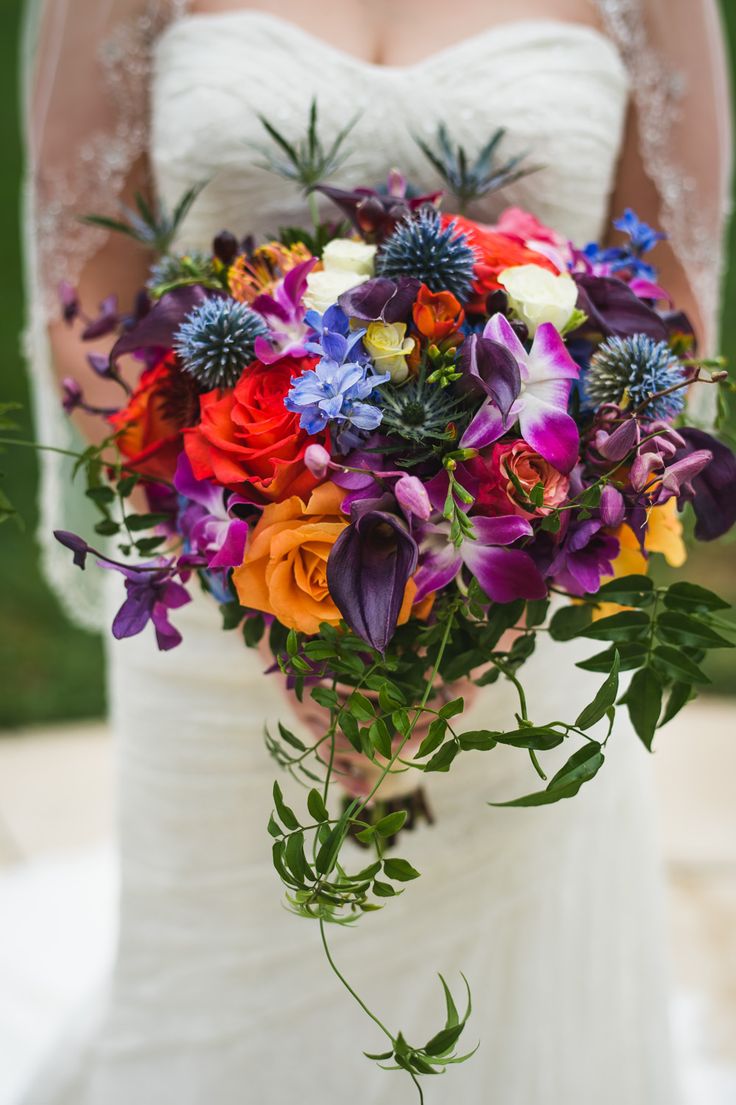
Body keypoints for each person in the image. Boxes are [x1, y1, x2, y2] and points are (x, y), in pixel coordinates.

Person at [20, 2, 732, 1102]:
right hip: (213, 591)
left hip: (523, 604)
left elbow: (670, 297)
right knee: (227, 1001)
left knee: (506, 1002)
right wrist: (253, 580)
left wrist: (487, 608)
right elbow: (86, 273)